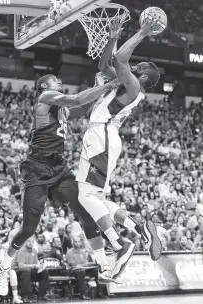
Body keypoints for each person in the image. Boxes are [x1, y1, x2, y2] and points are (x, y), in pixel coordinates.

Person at [0, 73, 119, 296]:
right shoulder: (45, 97)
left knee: (87, 214)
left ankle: (104, 266)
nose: (60, 83)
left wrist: (98, 88)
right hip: (36, 170)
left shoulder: (62, 110)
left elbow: (82, 108)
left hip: (59, 169)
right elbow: (77, 100)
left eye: (60, 82)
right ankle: (3, 265)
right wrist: (110, 85)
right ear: (44, 85)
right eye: (56, 81)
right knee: (29, 229)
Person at [76, 17, 163, 279]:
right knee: (96, 198)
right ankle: (140, 228)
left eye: (140, 66)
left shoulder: (134, 85)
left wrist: (142, 32)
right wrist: (112, 38)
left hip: (102, 135)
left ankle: (119, 244)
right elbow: (106, 64)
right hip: (104, 136)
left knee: (84, 195)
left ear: (144, 75)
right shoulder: (128, 84)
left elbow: (119, 60)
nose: (135, 65)